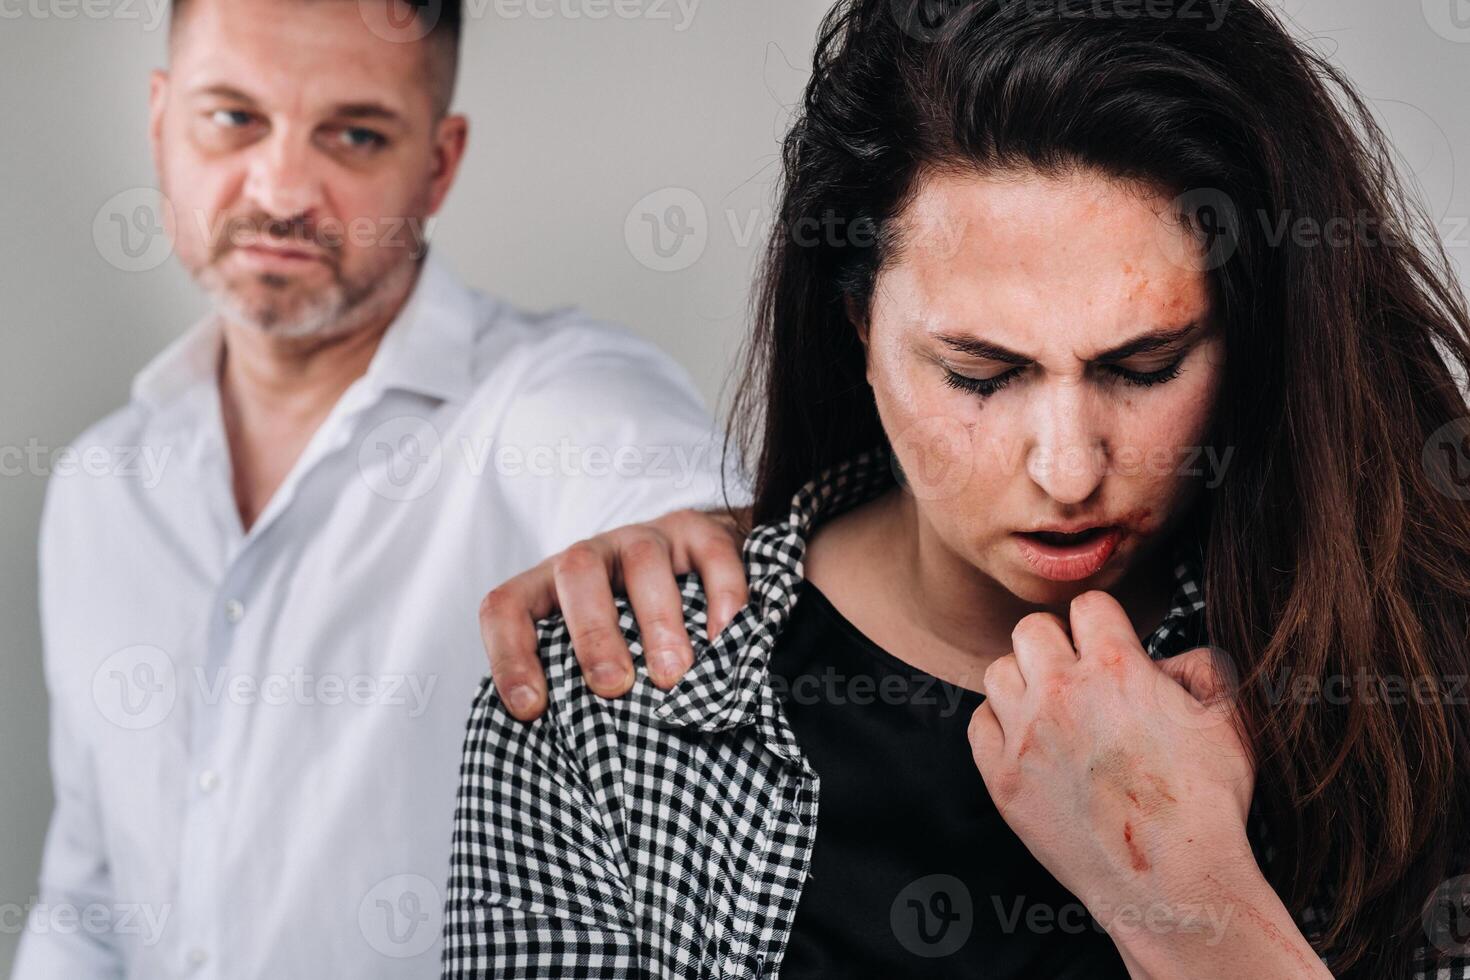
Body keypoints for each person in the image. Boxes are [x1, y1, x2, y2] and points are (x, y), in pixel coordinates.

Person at [448, 0, 1470, 977]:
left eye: (1145, 365)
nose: (1067, 468)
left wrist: (1192, 905)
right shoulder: (608, 712)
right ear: (857, 324)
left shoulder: (1413, 667)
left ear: (1247, 328)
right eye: (981, 375)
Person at [15, 0, 747, 975]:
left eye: (354, 135)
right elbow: (88, 896)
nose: (280, 189)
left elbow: (683, 500)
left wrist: (701, 530)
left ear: (437, 166)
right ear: (160, 122)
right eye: (232, 118)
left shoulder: (544, 395)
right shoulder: (99, 490)